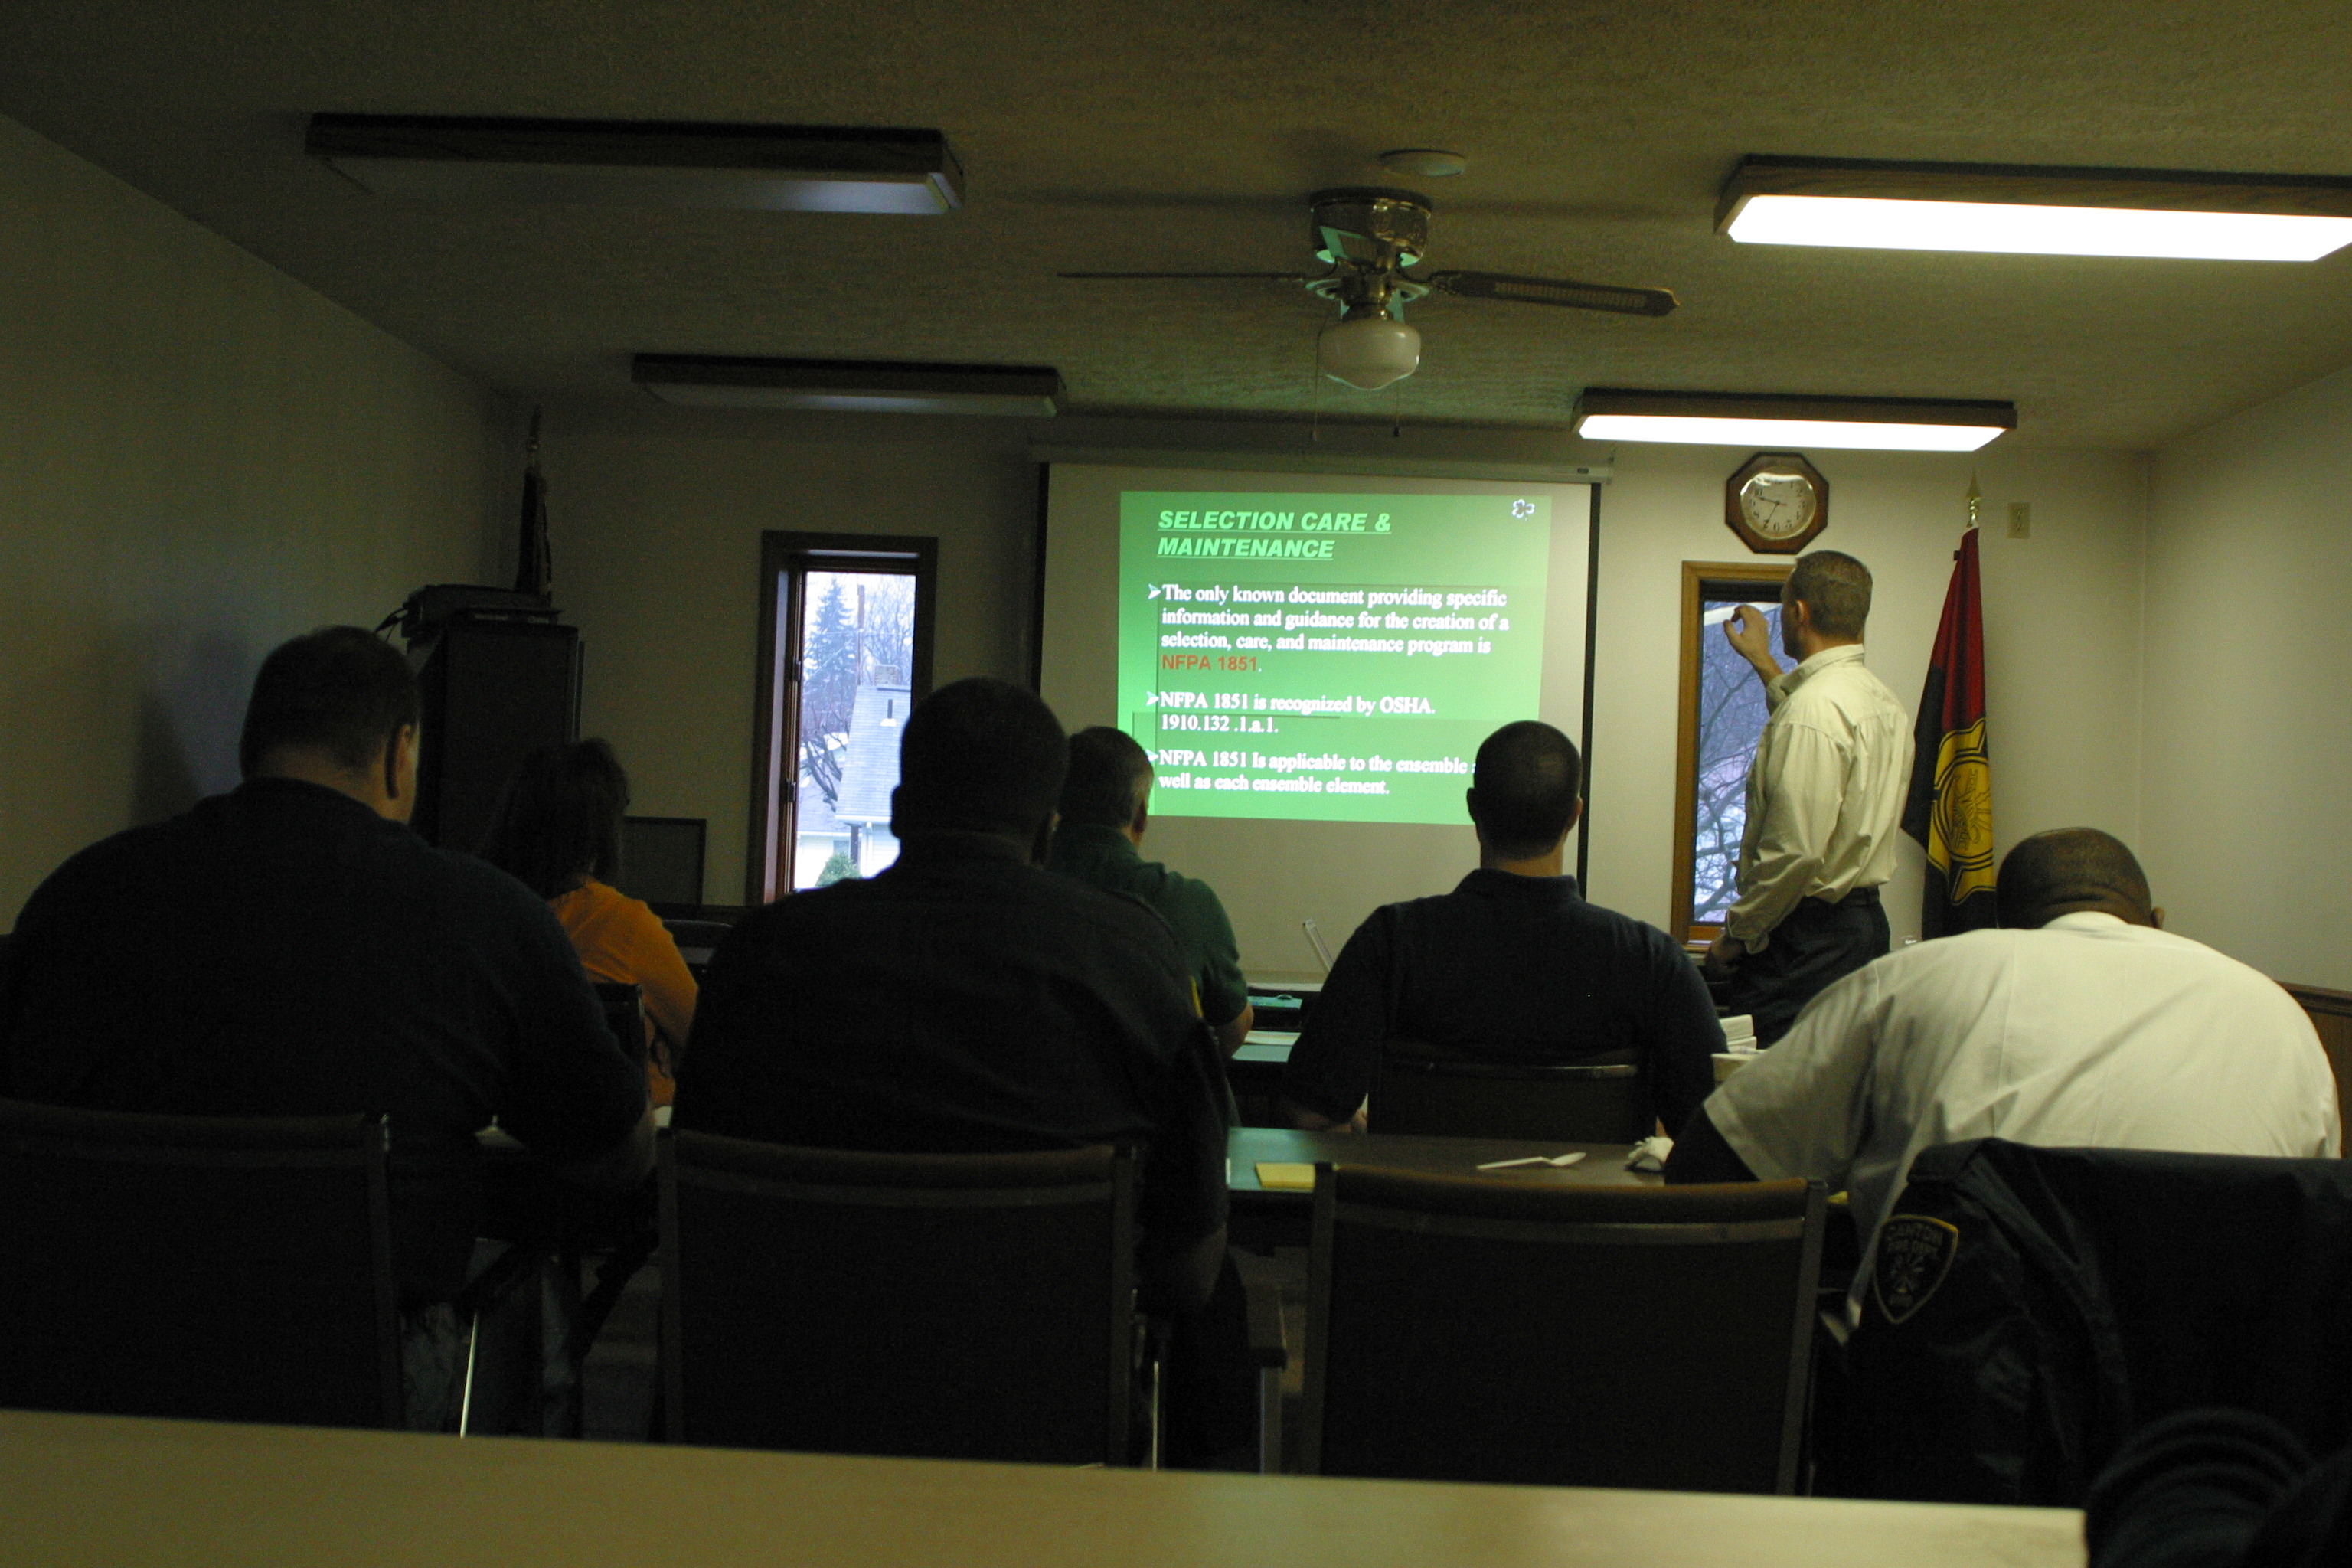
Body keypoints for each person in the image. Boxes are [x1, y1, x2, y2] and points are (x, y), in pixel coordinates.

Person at [0, 626, 652, 1429]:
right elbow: (617, 1152)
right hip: (358, 1397)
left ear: (253, 747)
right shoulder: (486, 918)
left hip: (83, 1380)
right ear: (399, 755)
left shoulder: (77, 897)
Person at [673, 678, 1240, 1461]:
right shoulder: (1135, 959)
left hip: (787, 1416)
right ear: (1047, 829)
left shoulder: (761, 955)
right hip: (1045, 1423)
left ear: (900, 809)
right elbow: (1191, 1268)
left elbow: (695, 1208)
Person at [1668, 828, 2339, 1303]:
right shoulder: (2279, 1017)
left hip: (1964, 1413)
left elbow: (1711, 1162)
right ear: (2156, 922)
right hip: (2217, 1427)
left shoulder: (1916, 981)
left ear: (2000, 925)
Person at [1279, 720, 1720, 1138]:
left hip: (1416, 1196)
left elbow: (1310, 1113)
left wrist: (1370, 1137)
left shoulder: (1392, 941)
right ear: (1575, 815)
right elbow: (1711, 1130)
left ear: (1473, 807)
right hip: (1589, 1198)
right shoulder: (1652, 960)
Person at [1705, 550, 1913, 1045]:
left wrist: (1736, 935)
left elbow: (1795, 853)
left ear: (1799, 612)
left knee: (1771, 1078)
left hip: (1806, 941)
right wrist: (1762, 661)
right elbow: (1806, 715)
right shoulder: (1882, 702)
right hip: (1858, 930)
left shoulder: (1813, 711)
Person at [479, 738, 697, 1106]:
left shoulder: (477, 914)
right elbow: (711, 1042)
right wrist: (663, 1041)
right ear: (600, 828)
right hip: (626, 1131)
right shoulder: (624, 926)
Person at [1048, 726, 1253, 1058]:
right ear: (1141, 814)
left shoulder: (1009, 891)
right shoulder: (1188, 903)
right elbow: (1233, 1030)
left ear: (1054, 804)